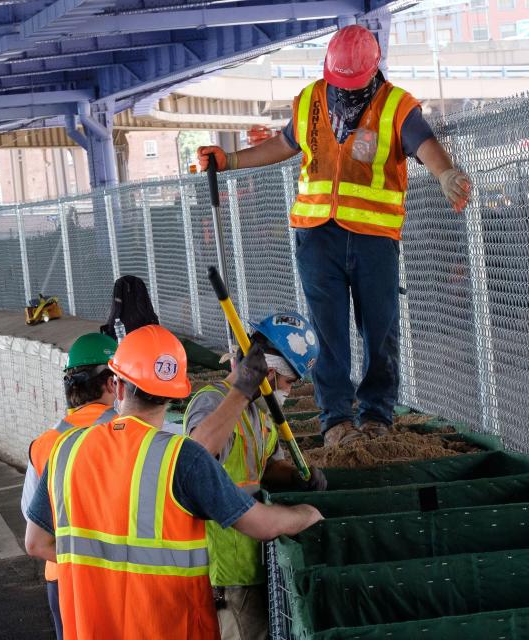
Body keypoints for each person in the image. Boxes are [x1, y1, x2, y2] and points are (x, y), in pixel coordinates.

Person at [24, 324, 323, 640]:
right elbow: (260, 523)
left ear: (117, 385)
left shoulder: (67, 452)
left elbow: (36, 542)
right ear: (178, 394)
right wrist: (308, 514)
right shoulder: (178, 457)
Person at [197, 24, 471, 448]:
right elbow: (285, 144)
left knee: (379, 329)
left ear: (372, 70)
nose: (343, 90)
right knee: (328, 333)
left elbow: (424, 143)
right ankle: (336, 421)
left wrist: (445, 172)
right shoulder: (310, 99)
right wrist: (229, 159)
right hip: (316, 235)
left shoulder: (396, 106)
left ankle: (377, 415)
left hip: (372, 237)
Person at [185, 313, 326, 640]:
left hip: (243, 571)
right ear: (264, 367)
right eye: (288, 380)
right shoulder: (216, 402)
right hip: (227, 575)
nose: (290, 391)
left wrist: (298, 476)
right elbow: (197, 458)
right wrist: (242, 391)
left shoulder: (259, 414)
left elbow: (254, 467)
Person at [21, 331, 122, 640]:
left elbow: (32, 521)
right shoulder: (128, 430)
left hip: (63, 580)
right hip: (121, 574)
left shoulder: (45, 444)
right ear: (110, 383)